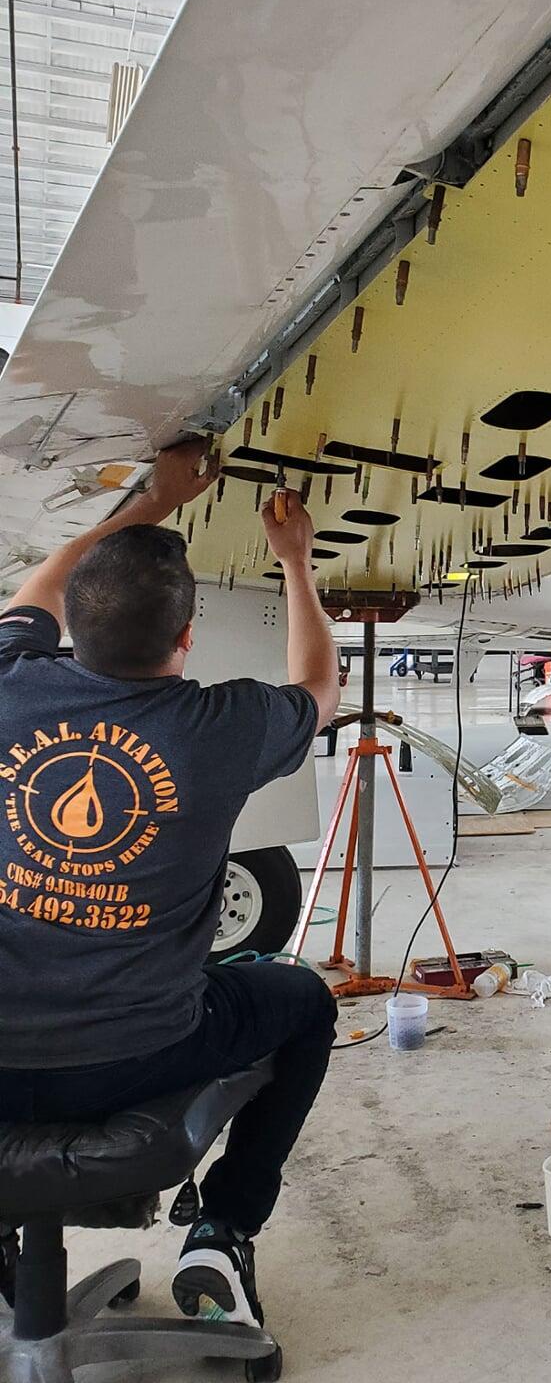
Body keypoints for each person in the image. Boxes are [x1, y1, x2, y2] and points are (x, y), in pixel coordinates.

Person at [0, 442, 342, 1325]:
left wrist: (152, 500)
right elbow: (318, 684)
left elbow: (42, 583)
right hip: (136, 1059)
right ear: (188, 639)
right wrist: (296, 564)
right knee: (301, 998)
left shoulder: (7, 681)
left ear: (70, 625)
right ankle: (223, 1230)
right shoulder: (217, 725)